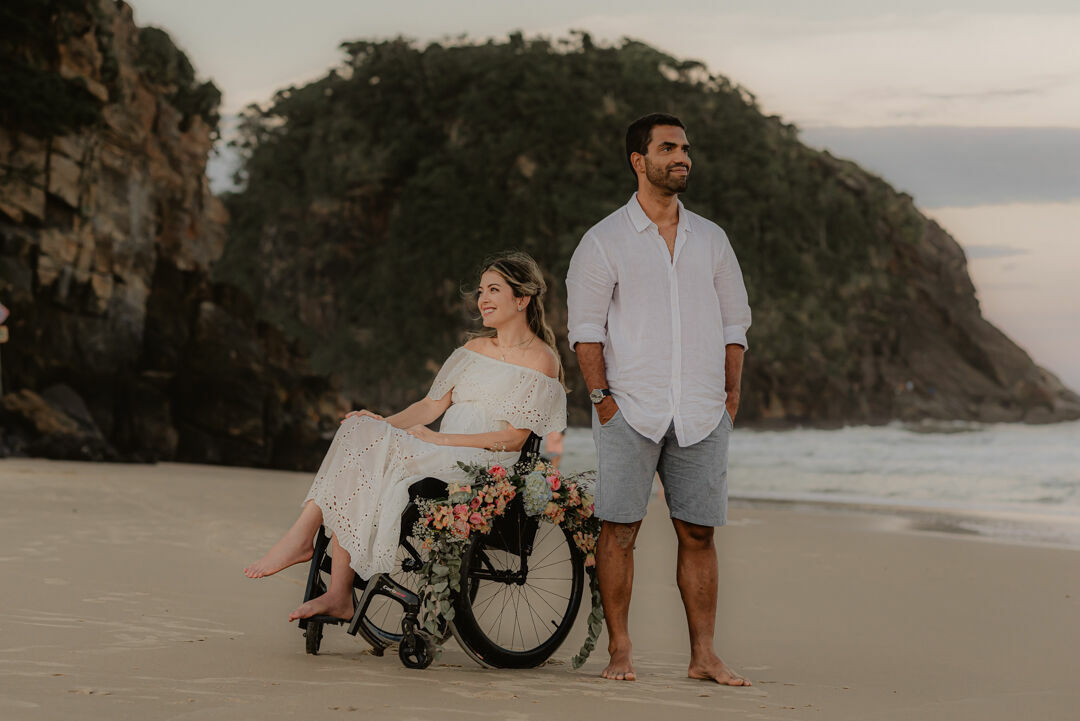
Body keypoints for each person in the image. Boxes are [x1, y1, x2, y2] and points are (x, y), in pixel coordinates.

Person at [245, 252, 567, 623]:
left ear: (521, 299)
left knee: (367, 443)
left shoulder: (541, 359)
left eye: (494, 290)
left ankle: (308, 549)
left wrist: (443, 441)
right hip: (437, 447)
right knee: (358, 427)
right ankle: (332, 585)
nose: (483, 299)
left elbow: (512, 440)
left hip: (483, 461)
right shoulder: (473, 350)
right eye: (481, 291)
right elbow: (430, 407)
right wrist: (383, 423)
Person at [566, 113, 752, 685]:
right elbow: (586, 330)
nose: (683, 157)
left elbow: (735, 321)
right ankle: (620, 650)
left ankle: (704, 656)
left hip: (701, 411)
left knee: (699, 532)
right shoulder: (604, 241)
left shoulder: (712, 239)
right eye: (669, 148)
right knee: (620, 530)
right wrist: (603, 402)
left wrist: (729, 394)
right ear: (638, 160)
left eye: (686, 148)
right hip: (629, 408)